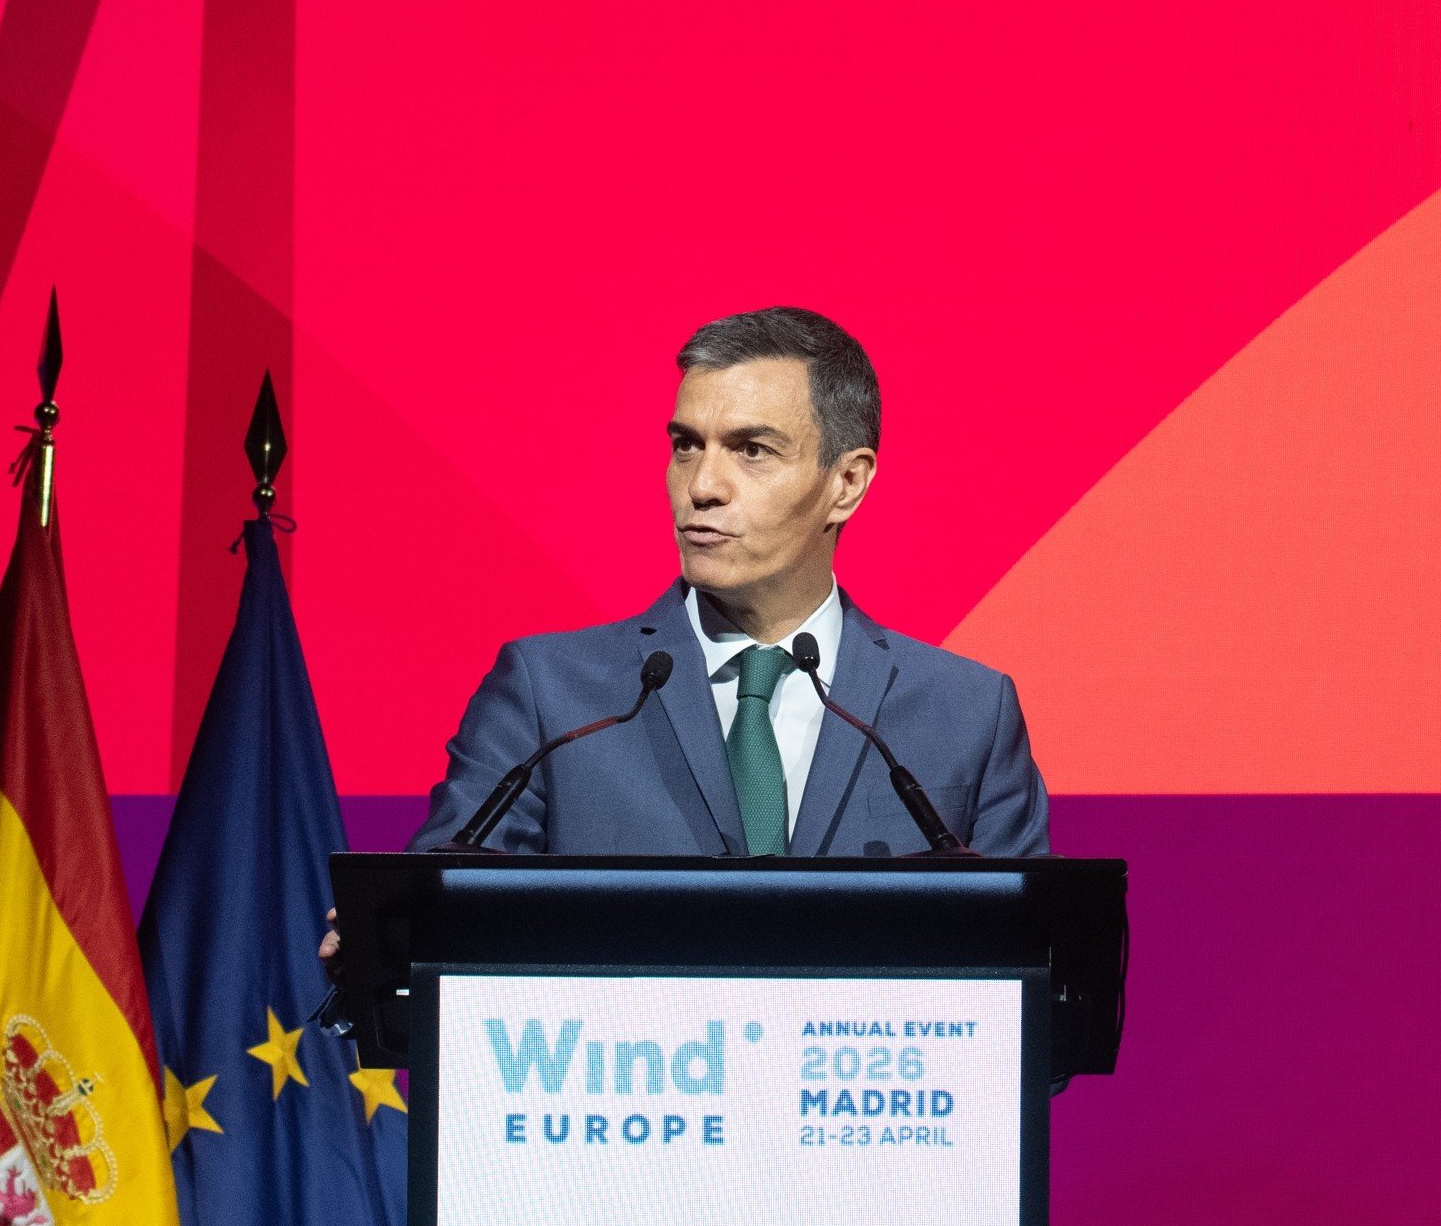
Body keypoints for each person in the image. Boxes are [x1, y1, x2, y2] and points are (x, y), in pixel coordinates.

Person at [408, 306, 1051, 859]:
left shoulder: (968, 715)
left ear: (846, 484)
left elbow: (1028, 967)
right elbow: (441, 916)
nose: (702, 487)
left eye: (751, 450)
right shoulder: (550, 694)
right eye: (687, 445)